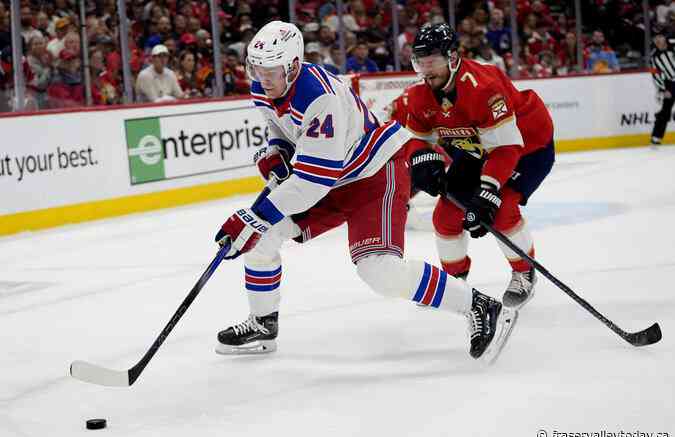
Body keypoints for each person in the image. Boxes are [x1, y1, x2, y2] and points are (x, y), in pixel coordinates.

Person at [213, 21, 518, 362]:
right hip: (333, 175)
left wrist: (253, 216)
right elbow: (280, 126)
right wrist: (278, 150)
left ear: (293, 66)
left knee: (380, 272)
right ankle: (263, 323)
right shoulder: (264, 86)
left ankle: (479, 305)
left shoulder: (320, 98)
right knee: (262, 237)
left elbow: (314, 182)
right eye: (256, 68)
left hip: (374, 173)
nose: (262, 78)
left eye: (270, 70)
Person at [404, 23, 554, 309]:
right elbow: (417, 138)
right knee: (446, 216)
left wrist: (489, 189)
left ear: (452, 57)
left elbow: (507, 147)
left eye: (432, 61)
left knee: (502, 208)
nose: (426, 69)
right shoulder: (419, 95)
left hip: (527, 147)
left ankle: (525, 273)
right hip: (478, 151)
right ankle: (453, 281)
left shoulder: (484, 88)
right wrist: (422, 159)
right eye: (420, 62)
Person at [650, 28, 675, 148]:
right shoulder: (654, 57)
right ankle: (656, 137)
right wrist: (663, 89)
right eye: (655, 39)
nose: (658, 40)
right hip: (670, 84)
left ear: (664, 38)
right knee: (665, 111)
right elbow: (655, 74)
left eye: (660, 37)